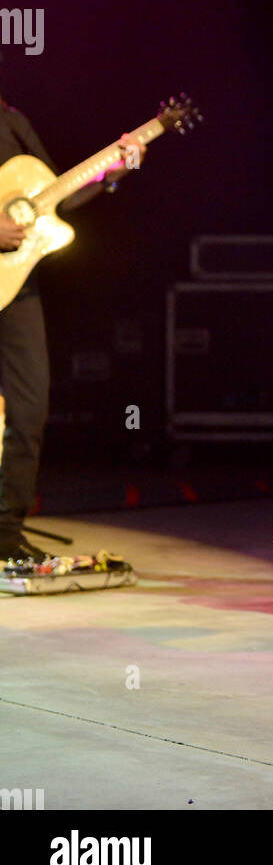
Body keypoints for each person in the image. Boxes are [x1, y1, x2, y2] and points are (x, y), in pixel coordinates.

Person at [0, 90, 146, 566]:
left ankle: (5, 533)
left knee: (29, 409)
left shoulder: (12, 120)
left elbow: (54, 195)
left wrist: (112, 174)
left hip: (15, 286)